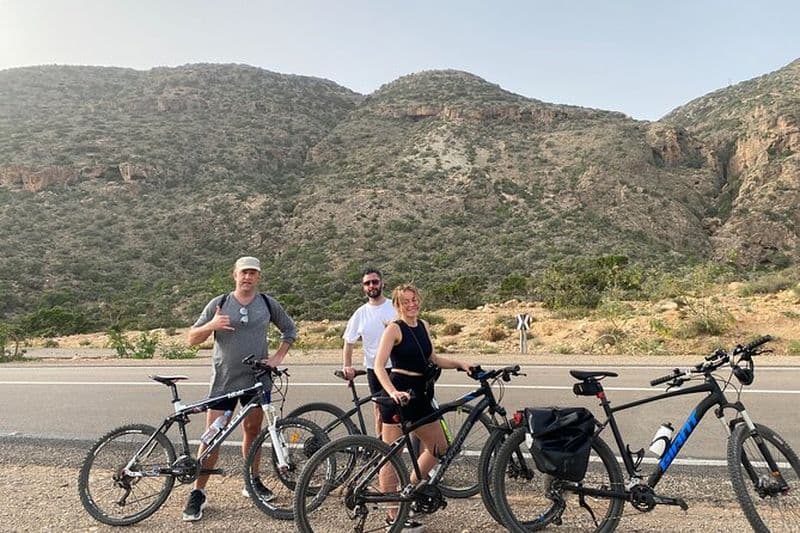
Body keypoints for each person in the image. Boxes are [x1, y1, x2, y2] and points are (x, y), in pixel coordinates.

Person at [182, 256, 297, 522]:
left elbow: (289, 330)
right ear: (234, 275)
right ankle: (198, 491)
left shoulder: (268, 304)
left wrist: (278, 357)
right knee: (212, 436)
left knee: (253, 432)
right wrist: (212, 325)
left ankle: (252, 481)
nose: (248, 277)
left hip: (258, 382)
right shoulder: (219, 303)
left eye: (253, 273)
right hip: (224, 382)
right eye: (244, 272)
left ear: (258, 277)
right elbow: (191, 338)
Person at [373, 283, 472, 532]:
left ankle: (409, 490)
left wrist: (461, 363)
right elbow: (378, 366)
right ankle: (393, 516)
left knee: (439, 447)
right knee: (391, 456)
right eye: (405, 301)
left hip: (422, 396)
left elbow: (433, 359)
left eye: (414, 299)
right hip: (400, 394)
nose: (411, 304)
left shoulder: (424, 326)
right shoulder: (394, 329)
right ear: (398, 305)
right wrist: (392, 392)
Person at [341, 268, 396, 438]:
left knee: (399, 409)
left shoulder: (394, 307)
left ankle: (396, 445)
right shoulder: (360, 313)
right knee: (379, 411)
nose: (371, 285)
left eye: (375, 282)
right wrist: (347, 366)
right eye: (367, 283)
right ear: (363, 287)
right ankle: (381, 450)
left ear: (382, 283)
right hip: (374, 369)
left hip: (396, 366)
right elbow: (348, 341)